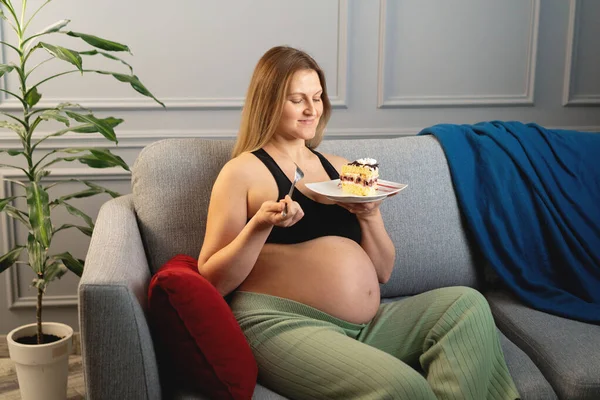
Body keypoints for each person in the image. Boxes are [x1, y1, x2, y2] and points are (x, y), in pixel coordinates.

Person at [197, 45, 520, 400]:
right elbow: (212, 279)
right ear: (269, 102)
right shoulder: (242, 172)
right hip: (279, 323)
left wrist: (370, 214)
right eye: (297, 99)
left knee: (466, 305)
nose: (311, 110)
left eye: (317, 97)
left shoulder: (341, 168)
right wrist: (259, 225)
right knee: (405, 390)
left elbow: (382, 272)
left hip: (362, 326)